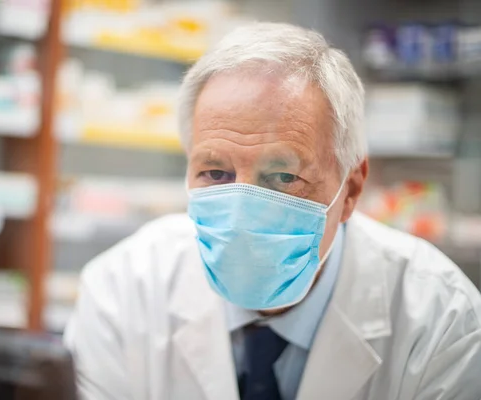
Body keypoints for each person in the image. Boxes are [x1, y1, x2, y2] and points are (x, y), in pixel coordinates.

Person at [64, 22, 481, 400]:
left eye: (282, 176)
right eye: (215, 172)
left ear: (351, 189)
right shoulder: (123, 291)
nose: (243, 207)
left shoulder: (441, 318)